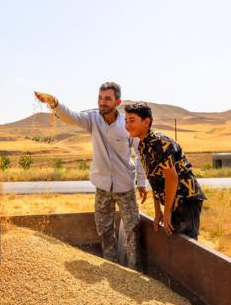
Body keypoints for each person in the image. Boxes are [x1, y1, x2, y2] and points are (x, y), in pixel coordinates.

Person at [35, 82, 147, 269]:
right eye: (100, 98)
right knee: (104, 231)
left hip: (125, 187)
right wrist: (54, 103)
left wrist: (141, 182)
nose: (102, 103)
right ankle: (112, 268)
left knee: (132, 231)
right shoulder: (92, 119)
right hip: (102, 187)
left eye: (107, 99)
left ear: (117, 102)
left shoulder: (127, 124)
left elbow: (140, 153)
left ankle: (135, 272)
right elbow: (72, 117)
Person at [124, 103, 206, 239]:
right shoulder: (143, 146)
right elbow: (155, 180)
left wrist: (166, 212)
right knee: (174, 242)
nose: (127, 125)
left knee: (185, 245)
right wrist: (158, 211)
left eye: (132, 120)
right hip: (173, 200)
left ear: (146, 122)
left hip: (185, 198)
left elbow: (172, 178)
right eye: (126, 121)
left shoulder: (159, 143)